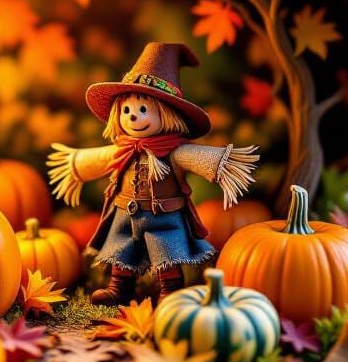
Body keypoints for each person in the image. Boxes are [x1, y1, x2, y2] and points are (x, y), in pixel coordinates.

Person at [48, 42, 259, 303]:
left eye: (143, 110)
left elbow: (207, 160)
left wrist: (226, 168)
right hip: (125, 213)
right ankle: (119, 288)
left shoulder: (176, 152)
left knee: (166, 254)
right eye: (127, 110)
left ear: (166, 114)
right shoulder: (121, 149)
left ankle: (170, 290)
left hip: (164, 217)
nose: (133, 117)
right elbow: (92, 160)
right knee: (121, 250)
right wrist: (74, 165)